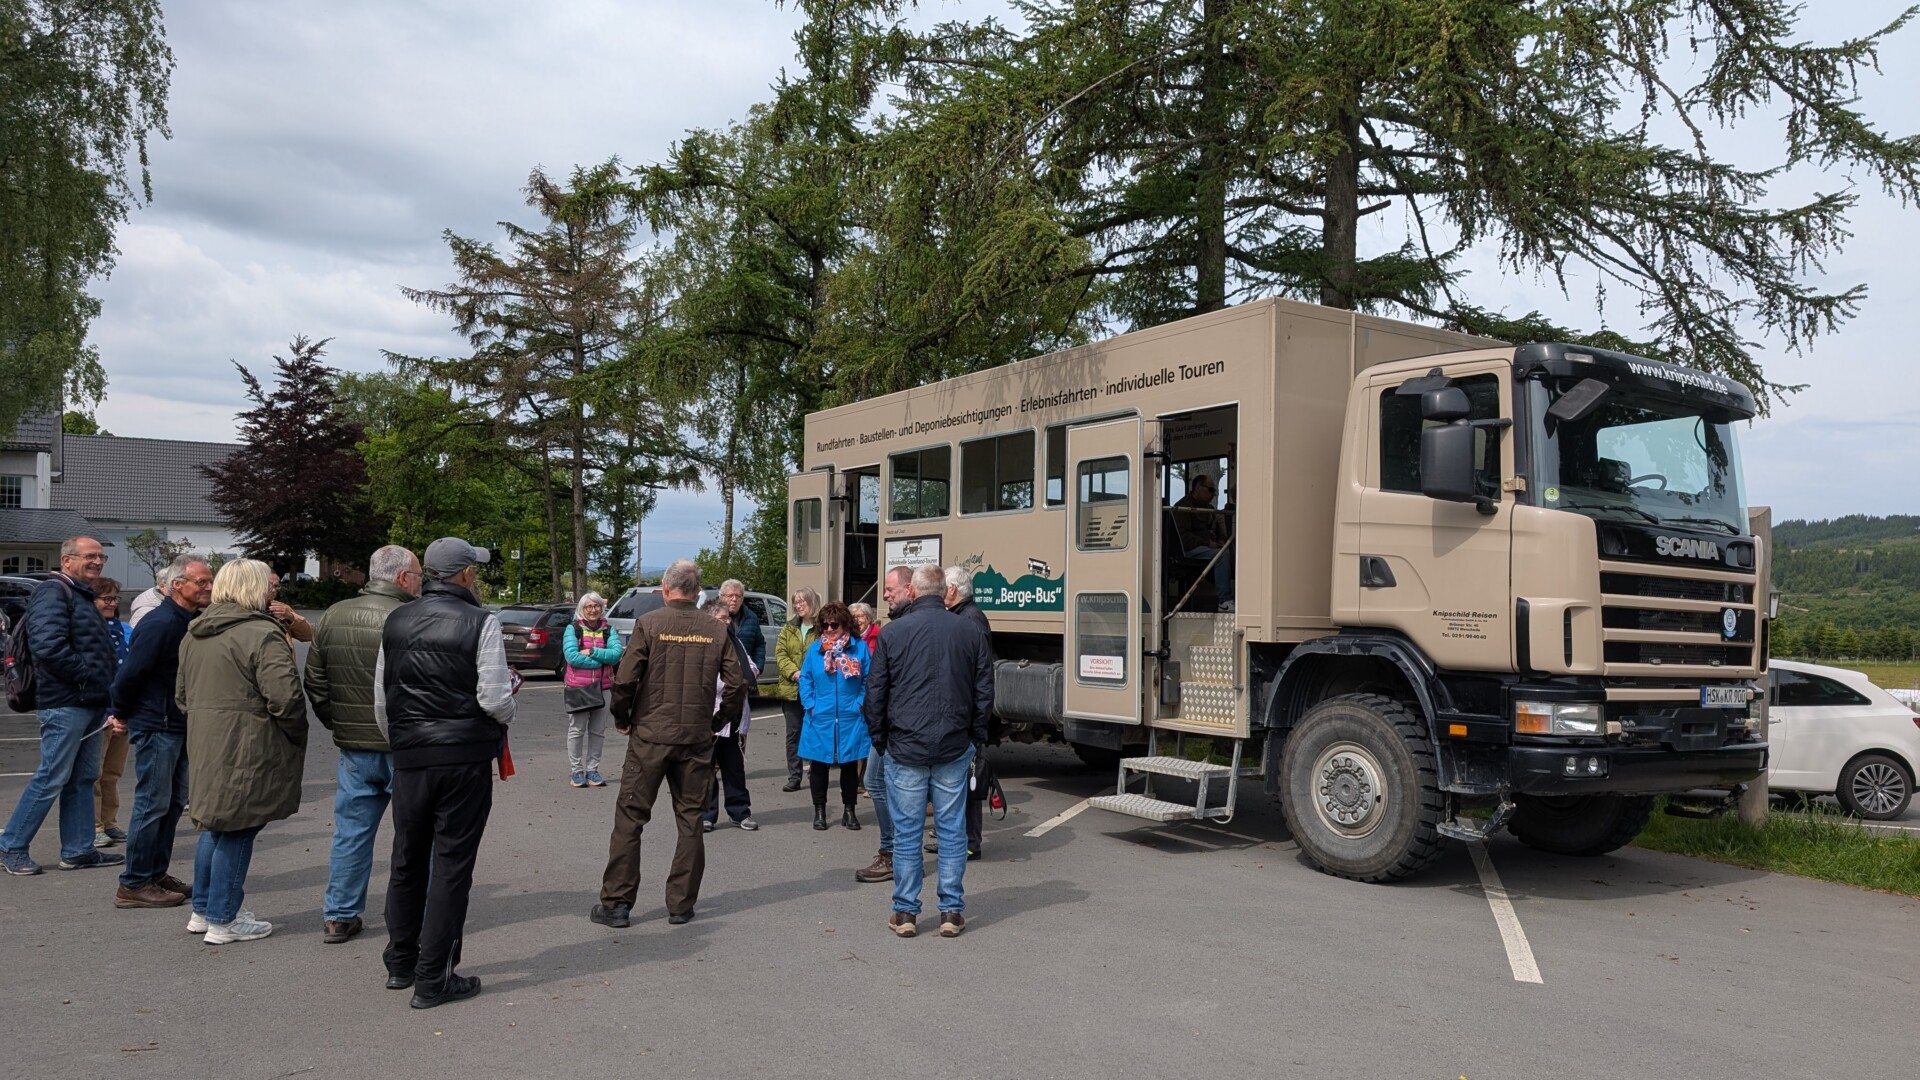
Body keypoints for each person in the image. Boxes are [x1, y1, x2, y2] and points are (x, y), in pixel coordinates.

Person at [374, 537, 513, 1009]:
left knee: (407, 859)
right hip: (462, 756)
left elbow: (382, 697)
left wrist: (404, 736)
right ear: (466, 574)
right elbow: (495, 698)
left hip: (411, 753)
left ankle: (401, 962)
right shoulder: (481, 621)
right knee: (452, 865)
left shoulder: (397, 619)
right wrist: (502, 717)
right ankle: (433, 977)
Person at [592, 559, 746, 930]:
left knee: (630, 818)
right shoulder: (714, 629)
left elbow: (625, 679)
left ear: (664, 588)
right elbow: (738, 684)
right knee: (691, 819)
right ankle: (680, 904)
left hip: (651, 736)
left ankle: (617, 903)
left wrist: (622, 717)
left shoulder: (650, 624)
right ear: (697, 593)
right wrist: (717, 723)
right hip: (695, 737)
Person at [176, 559, 308, 944]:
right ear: (252, 588)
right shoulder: (261, 634)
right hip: (249, 743)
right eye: (268, 586)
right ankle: (223, 918)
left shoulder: (194, 632)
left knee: (215, 826)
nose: (273, 591)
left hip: (206, 741)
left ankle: (204, 909)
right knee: (239, 828)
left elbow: (182, 695)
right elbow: (286, 699)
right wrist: (294, 734)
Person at [865, 564, 993, 938]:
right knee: (952, 830)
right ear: (944, 592)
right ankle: (951, 910)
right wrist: (976, 737)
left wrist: (880, 738)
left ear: (916, 593)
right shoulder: (969, 630)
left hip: (905, 745)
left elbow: (876, 693)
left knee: (907, 832)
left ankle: (905, 912)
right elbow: (984, 689)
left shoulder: (895, 632)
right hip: (953, 743)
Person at [304, 545, 420, 944]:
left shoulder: (333, 614)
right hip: (405, 747)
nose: (421, 583)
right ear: (403, 578)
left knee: (351, 833)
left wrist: (339, 725)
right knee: (418, 834)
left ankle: (339, 914)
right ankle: (415, 913)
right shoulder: (410, 617)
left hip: (355, 747)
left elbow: (315, 683)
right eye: (418, 576)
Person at [0, 536, 124, 877]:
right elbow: (48, 647)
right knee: (52, 776)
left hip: (87, 701)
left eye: (101, 556)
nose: (98, 561)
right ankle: (11, 845)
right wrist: (87, 678)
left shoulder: (80, 593)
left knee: (83, 777)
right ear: (66, 560)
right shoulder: (54, 591)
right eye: (89, 556)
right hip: (66, 701)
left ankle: (79, 850)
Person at [109, 555, 212, 908]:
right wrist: (120, 713)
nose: (208, 587)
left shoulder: (189, 621)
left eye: (209, 581)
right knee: (152, 804)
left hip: (178, 724)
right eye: (201, 582)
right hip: (157, 725)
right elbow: (130, 675)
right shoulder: (160, 623)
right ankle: (134, 883)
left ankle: (155, 873)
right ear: (176, 585)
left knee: (171, 803)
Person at [853, 566, 914, 885]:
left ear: (910, 589)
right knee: (879, 783)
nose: (885, 595)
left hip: (897, 726)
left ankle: (895, 854)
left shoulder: (899, 629)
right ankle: (895, 851)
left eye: (891, 589)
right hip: (891, 724)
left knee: (890, 786)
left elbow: (884, 683)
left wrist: (878, 725)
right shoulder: (900, 624)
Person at [799, 601, 873, 831]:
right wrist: (810, 704)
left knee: (849, 766)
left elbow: (868, 680)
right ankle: (819, 810)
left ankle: (849, 810)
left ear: (845, 625)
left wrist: (860, 703)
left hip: (850, 716)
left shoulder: (858, 648)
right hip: (820, 716)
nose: (829, 629)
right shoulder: (815, 649)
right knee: (819, 767)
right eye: (825, 625)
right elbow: (806, 679)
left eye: (834, 625)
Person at [942, 565, 995, 862]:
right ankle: (957, 840)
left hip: (967, 716)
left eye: (943, 588)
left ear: (952, 590)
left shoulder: (971, 619)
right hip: (965, 714)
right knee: (960, 783)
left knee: (969, 783)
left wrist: (977, 722)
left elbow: (979, 675)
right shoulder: (964, 615)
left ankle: (969, 843)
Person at [700, 601, 757, 832]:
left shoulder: (736, 643)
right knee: (707, 768)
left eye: (728, 618)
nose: (727, 621)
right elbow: (705, 679)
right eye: (723, 618)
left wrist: (738, 678)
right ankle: (707, 814)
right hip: (710, 716)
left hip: (733, 715)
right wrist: (731, 680)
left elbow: (751, 668)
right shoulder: (702, 645)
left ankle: (740, 812)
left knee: (734, 767)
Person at [562, 591, 623, 788]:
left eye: (596, 606)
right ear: (582, 609)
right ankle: (577, 771)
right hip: (579, 688)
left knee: (597, 732)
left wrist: (593, 651)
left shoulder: (609, 630)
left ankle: (593, 771)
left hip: (604, 688)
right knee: (577, 731)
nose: (593, 610)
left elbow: (615, 655)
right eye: (589, 606)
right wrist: (601, 661)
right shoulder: (573, 629)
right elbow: (572, 657)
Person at [91, 577, 133, 850]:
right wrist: (106, 711)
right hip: (101, 712)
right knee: (93, 774)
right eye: (107, 599)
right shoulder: (90, 629)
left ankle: (110, 821)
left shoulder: (120, 628)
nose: (113, 603)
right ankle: (93, 826)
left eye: (115, 599)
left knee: (113, 771)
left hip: (122, 710)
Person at [770, 587, 820, 792]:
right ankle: (794, 776)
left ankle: (816, 773)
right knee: (793, 734)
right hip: (792, 690)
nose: (798, 606)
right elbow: (780, 655)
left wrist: (811, 674)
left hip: (816, 689)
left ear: (812, 603)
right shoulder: (788, 628)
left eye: (802, 602)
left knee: (815, 732)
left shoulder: (823, 627)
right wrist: (795, 673)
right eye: (796, 603)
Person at [1172, 472, 1234, 610]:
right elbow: (1183, 537)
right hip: (1188, 551)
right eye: (1211, 489)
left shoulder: (1210, 509)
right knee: (1221, 556)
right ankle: (1225, 601)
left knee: (1230, 551)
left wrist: (1221, 541)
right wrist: (1207, 544)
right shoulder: (1182, 507)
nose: (1214, 494)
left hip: (1207, 548)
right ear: (1199, 487)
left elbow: (1216, 531)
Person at [714, 578, 763, 675]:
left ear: (742, 599)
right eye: (730, 595)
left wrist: (758, 667)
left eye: (738, 596)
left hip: (744, 674)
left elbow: (759, 644)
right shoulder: (712, 616)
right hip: (719, 674)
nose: (734, 599)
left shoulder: (751, 618)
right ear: (721, 597)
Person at [267, 572, 315, 644]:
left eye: (276, 586)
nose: (274, 590)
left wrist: (291, 617)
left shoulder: (283, 608)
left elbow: (308, 635)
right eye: (269, 585)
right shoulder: (247, 608)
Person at [127, 562, 177, 629]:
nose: (180, 588)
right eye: (175, 584)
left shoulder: (161, 597)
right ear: (162, 586)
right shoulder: (145, 612)